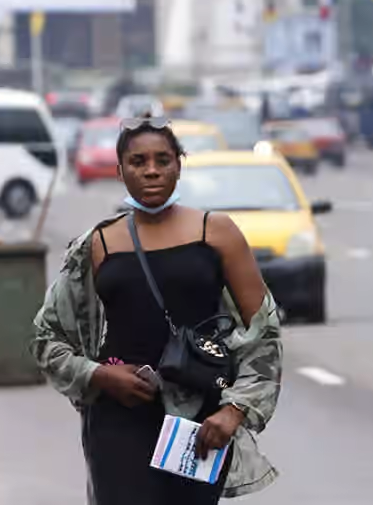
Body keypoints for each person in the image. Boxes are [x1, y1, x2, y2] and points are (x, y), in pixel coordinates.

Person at [31, 116, 283, 504]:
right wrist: (99, 374)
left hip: (199, 423)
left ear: (179, 166)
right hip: (119, 420)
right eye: (138, 161)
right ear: (120, 171)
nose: (151, 171)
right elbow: (47, 340)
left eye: (162, 160)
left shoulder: (216, 232)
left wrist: (233, 411)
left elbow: (263, 334)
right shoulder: (96, 244)